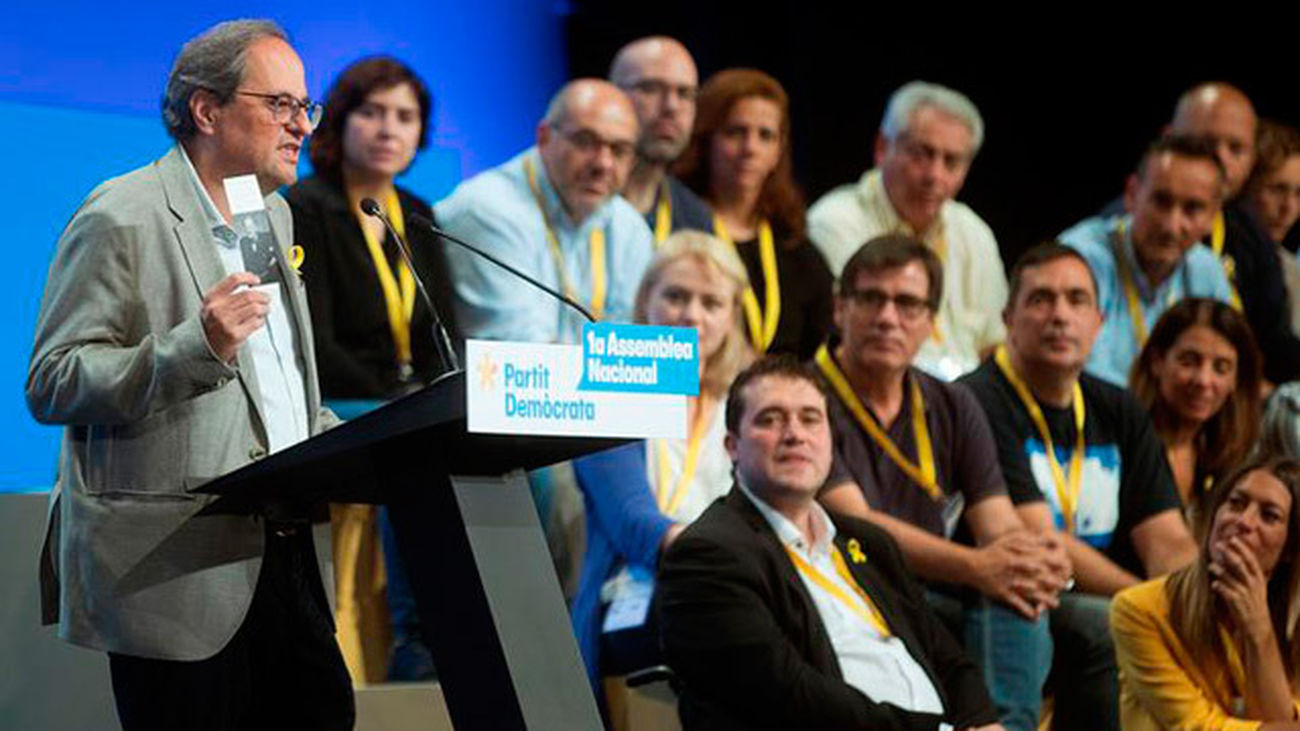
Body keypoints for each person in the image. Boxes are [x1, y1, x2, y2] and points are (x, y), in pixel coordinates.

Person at [25, 19, 353, 730]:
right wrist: (194, 345)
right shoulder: (124, 213)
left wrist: (350, 443)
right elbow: (53, 379)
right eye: (280, 105)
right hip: (173, 572)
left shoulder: (272, 216)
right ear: (207, 110)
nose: (302, 125)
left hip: (285, 553)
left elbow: (274, 388)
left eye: (307, 106)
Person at [657, 355, 1003, 730]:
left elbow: (948, 659)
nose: (794, 434)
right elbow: (791, 699)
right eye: (770, 419)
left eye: (810, 419)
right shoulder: (708, 555)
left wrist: (982, 723)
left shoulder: (869, 542)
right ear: (732, 446)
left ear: (829, 442)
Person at [815, 235, 1066, 730]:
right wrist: (978, 566)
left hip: (940, 585)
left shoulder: (953, 403)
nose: (888, 317)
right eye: (871, 299)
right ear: (839, 307)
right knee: (997, 583)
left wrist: (1026, 558)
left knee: (1020, 588)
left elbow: (996, 520)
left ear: (931, 323)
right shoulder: (807, 397)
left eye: (908, 303)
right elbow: (855, 521)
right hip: (851, 586)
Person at [960, 242, 1200, 731]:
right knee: (1102, 625)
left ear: (1100, 320)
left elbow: (1168, 538)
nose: (1059, 316)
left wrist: (1191, 600)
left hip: (1105, 590)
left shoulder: (1119, 408)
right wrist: (1145, 605)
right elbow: (1037, 539)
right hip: (1009, 591)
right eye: (1041, 300)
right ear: (1008, 318)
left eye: (1076, 300)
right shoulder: (977, 400)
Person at [284, 56, 445, 685]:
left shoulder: (417, 213)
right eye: (372, 112)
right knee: (413, 447)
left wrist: (433, 389)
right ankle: (414, 638)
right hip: (341, 401)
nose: (388, 128)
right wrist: (401, 397)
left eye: (404, 117)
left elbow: (442, 332)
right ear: (341, 122)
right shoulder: (304, 207)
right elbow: (313, 344)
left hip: (405, 401)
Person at [570, 230, 752, 709]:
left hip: (732, 590)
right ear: (645, 301)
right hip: (632, 595)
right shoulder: (609, 391)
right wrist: (731, 563)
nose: (691, 314)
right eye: (675, 296)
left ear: (732, 318)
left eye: (711, 303)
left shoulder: (745, 403)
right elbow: (634, 525)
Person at [808, 81, 1008, 381]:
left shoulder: (973, 232)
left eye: (951, 162)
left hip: (964, 404)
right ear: (882, 148)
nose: (934, 175)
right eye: (922, 154)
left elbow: (995, 345)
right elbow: (845, 339)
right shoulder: (835, 222)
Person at [437, 78, 654, 345]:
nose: (603, 164)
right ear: (544, 137)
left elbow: (637, 345)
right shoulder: (487, 211)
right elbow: (519, 353)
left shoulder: (629, 228)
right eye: (586, 142)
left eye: (619, 150)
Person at [1111, 457, 1300, 730]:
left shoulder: (1294, 625)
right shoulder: (1139, 609)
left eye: (1268, 515)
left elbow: (1281, 719)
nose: (1244, 521)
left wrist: (1258, 632)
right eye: (1236, 503)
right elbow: (1195, 726)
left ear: (1290, 549)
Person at [675, 68, 833, 359]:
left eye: (765, 136)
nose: (750, 148)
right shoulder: (674, 227)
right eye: (735, 132)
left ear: (779, 150)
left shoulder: (796, 248)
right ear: (705, 139)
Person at [1060, 135, 1232, 386]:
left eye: (1192, 209)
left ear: (1213, 217)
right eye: (1161, 202)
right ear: (1132, 194)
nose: (1172, 226)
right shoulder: (1082, 259)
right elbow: (1082, 374)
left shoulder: (1208, 272)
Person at [1169, 83, 1300, 385]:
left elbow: (1278, 347)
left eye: (1235, 148)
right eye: (1205, 142)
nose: (1219, 159)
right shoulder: (1120, 232)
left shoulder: (1253, 242)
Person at [1129, 298, 1262, 514]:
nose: (1203, 380)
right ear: (1157, 362)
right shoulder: (1124, 445)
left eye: (1221, 368)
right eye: (1189, 362)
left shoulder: (1234, 460)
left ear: (1235, 380)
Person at [609, 36, 713, 242]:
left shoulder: (695, 222)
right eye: (651, 88)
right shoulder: (570, 200)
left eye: (684, 94)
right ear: (611, 94)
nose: (671, 107)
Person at [1241, 120, 1300, 336]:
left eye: (1299, 194)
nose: (1289, 207)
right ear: (1246, 186)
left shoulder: (1292, 272)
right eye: (1277, 189)